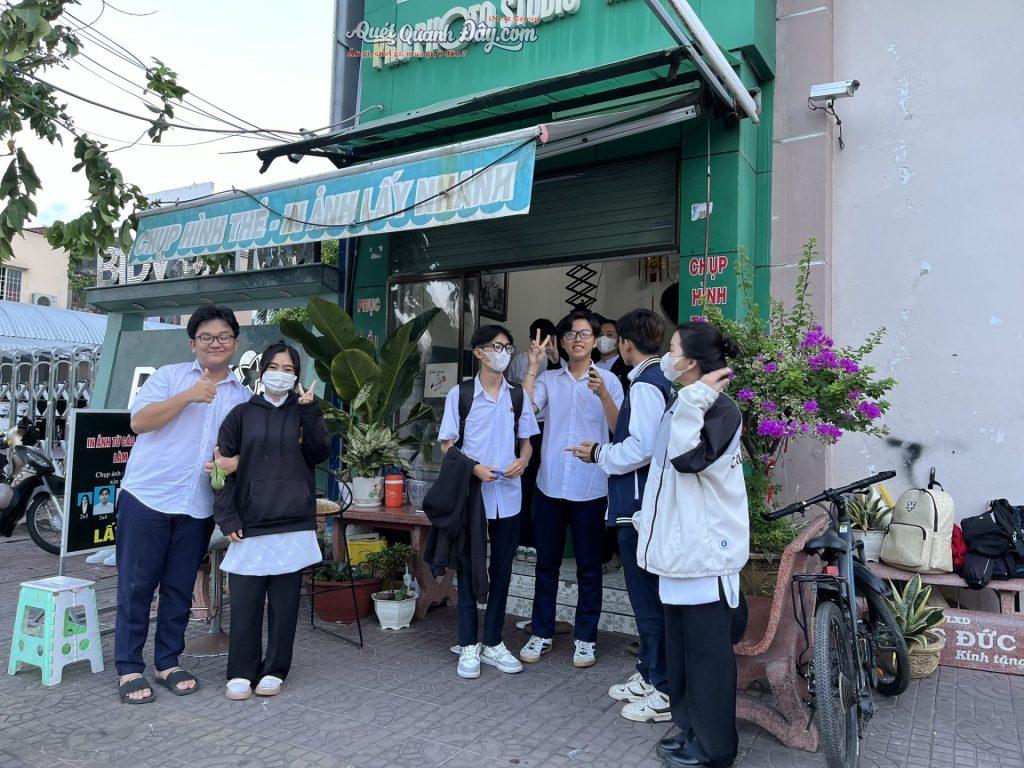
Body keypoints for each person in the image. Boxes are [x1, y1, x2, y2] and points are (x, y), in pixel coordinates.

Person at [114, 305, 251, 704]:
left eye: (223, 336)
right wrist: (189, 396)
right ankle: (128, 667)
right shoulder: (170, 377)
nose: (215, 343)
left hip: (197, 505)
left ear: (235, 343)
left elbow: (247, 450)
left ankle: (167, 663)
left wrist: (233, 463)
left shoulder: (242, 397)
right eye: (206, 337)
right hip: (148, 498)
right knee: (136, 586)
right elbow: (139, 422)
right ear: (193, 344)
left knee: (178, 589)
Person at [633, 322, 748, 768]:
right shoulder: (685, 402)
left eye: (674, 349)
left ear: (692, 362)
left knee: (707, 660)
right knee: (682, 656)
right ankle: (690, 730)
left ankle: (715, 749)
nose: (668, 356)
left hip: (705, 556)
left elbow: (686, 461)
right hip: (679, 554)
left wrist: (695, 398)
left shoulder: (719, 409)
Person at [567, 309, 675, 724]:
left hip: (638, 506)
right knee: (647, 600)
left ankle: (662, 687)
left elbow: (642, 447)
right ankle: (649, 673)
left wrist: (599, 453)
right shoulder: (655, 379)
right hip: (642, 505)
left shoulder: (646, 384)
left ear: (626, 344)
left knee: (648, 602)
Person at [211, 341, 331, 701]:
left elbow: (319, 452)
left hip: (292, 522)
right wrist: (227, 516)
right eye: (275, 367)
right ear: (262, 371)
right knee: (245, 603)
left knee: (285, 605)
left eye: (289, 369)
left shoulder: (303, 411)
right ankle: (241, 671)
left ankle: (276, 669)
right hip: (250, 522)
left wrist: (310, 412)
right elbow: (220, 470)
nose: (281, 375)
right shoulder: (240, 415)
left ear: (297, 375)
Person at [519, 309, 623, 668]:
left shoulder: (610, 380)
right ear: (562, 343)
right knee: (545, 564)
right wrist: (533, 366)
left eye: (584, 334)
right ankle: (541, 632)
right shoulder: (550, 380)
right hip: (550, 486)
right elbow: (525, 413)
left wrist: (604, 394)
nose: (577, 340)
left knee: (589, 568)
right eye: (570, 334)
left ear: (595, 341)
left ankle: (586, 639)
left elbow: (619, 430)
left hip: (590, 488)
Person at [438, 325, 539, 679]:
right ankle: (468, 643)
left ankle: (493, 641)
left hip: (509, 497)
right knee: (468, 568)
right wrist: (473, 468)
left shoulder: (517, 396)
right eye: (497, 347)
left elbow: (527, 441)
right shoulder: (461, 395)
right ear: (479, 352)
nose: (504, 353)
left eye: (508, 348)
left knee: (503, 570)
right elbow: (447, 444)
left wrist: (523, 461)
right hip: (472, 496)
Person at [506, 318, 561, 550]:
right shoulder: (522, 360)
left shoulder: (558, 362)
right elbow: (512, 391)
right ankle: (526, 536)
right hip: (529, 427)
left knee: (536, 483)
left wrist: (556, 360)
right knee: (528, 482)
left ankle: (530, 537)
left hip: (546, 428)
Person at [594, 316, 631, 392]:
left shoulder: (627, 367)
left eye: (609, 335)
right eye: (600, 335)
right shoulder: (590, 364)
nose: (603, 339)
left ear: (619, 339)